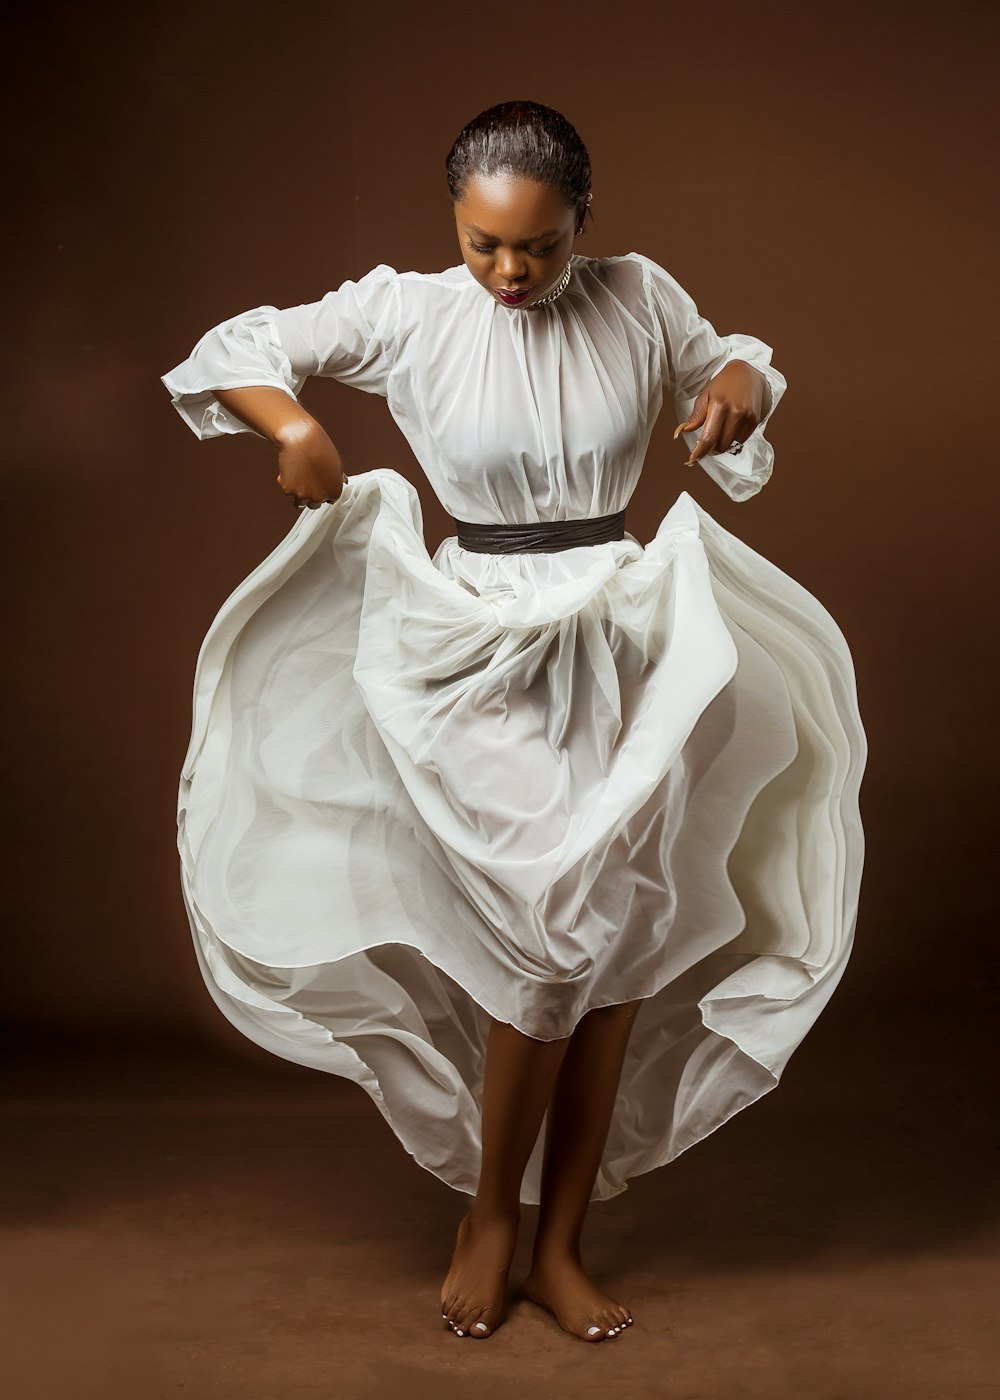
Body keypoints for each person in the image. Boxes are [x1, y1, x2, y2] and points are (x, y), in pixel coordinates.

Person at [160, 100, 867, 1346]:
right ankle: (490, 1212)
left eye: (536, 248)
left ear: (581, 225)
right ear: (455, 225)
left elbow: (724, 355)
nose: (507, 274)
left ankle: (560, 1239)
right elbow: (237, 345)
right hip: (479, 643)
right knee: (545, 935)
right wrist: (297, 422)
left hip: (621, 632)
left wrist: (739, 386)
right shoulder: (411, 309)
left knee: (612, 947)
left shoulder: (637, 295)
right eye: (483, 244)